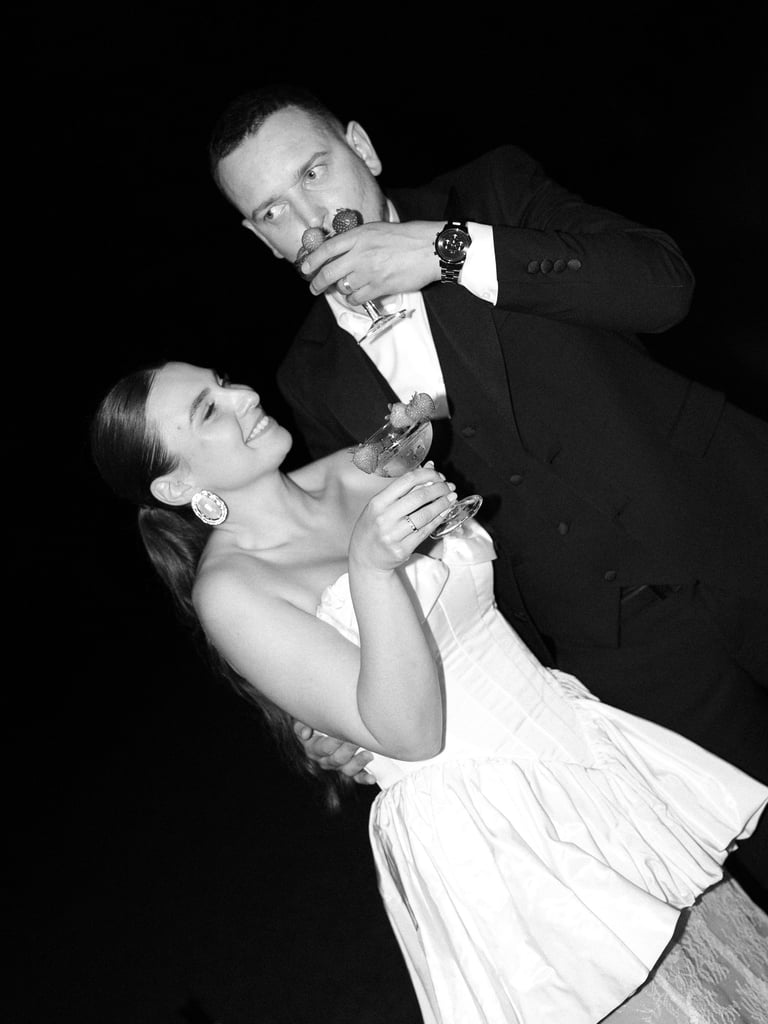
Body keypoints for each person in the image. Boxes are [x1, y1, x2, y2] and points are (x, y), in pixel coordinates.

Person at [207, 84, 768, 905]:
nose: (309, 217)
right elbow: (383, 561)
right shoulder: (310, 378)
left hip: (736, 521)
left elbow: (663, 285)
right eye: (272, 211)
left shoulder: (490, 194)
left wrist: (449, 250)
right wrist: (334, 704)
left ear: (362, 148)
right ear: (260, 236)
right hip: (616, 657)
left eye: (315, 172)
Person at [91, 359, 767, 1024]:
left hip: (579, 751)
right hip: (491, 829)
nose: (243, 394)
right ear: (178, 485)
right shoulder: (230, 592)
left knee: (736, 972)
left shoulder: (356, 469)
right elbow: (408, 733)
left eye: (223, 381)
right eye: (209, 410)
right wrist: (370, 570)